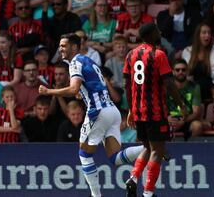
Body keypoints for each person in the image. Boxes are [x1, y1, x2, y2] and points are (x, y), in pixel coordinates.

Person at [38, 33, 143, 197]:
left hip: (98, 111)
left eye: (64, 46)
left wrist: (49, 91)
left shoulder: (75, 63)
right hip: (112, 111)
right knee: (115, 158)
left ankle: (96, 195)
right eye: (60, 46)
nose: (60, 49)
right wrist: (81, 92)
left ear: (74, 47)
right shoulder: (89, 61)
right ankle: (150, 148)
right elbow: (86, 87)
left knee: (85, 155)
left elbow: (73, 89)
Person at [123, 23, 186, 197]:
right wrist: (181, 104)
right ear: (151, 35)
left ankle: (133, 178)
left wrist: (130, 110)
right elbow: (169, 83)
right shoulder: (159, 55)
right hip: (155, 111)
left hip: (138, 110)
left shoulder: (130, 55)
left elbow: (126, 85)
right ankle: (148, 193)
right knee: (157, 151)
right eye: (158, 31)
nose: (160, 32)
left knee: (147, 147)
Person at [167, 59, 203, 141]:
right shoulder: (167, 87)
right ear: (173, 72)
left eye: (183, 70)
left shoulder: (194, 87)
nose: (180, 72)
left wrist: (183, 121)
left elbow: (196, 112)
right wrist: (167, 118)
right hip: (170, 119)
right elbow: (160, 108)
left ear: (187, 71)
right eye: (177, 70)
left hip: (187, 119)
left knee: (197, 126)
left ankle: (190, 149)